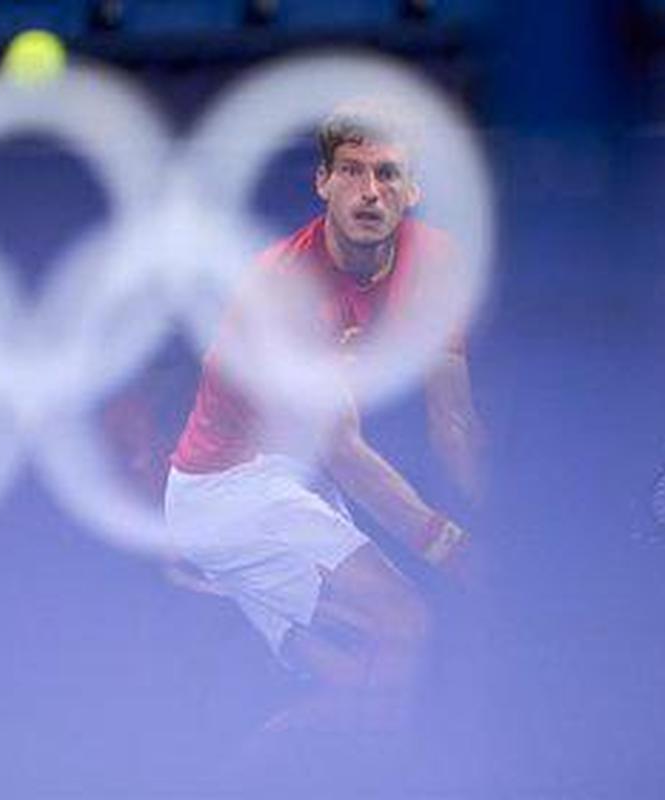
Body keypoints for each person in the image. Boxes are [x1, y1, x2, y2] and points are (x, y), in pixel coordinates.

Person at [163, 101, 485, 747]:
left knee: (356, 680)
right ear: (323, 182)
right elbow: (345, 453)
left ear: (413, 189)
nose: (370, 192)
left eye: (389, 174)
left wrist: (501, 524)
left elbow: (454, 422)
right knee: (405, 624)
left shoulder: (436, 263)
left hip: (294, 474)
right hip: (229, 490)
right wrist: (452, 548)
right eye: (352, 171)